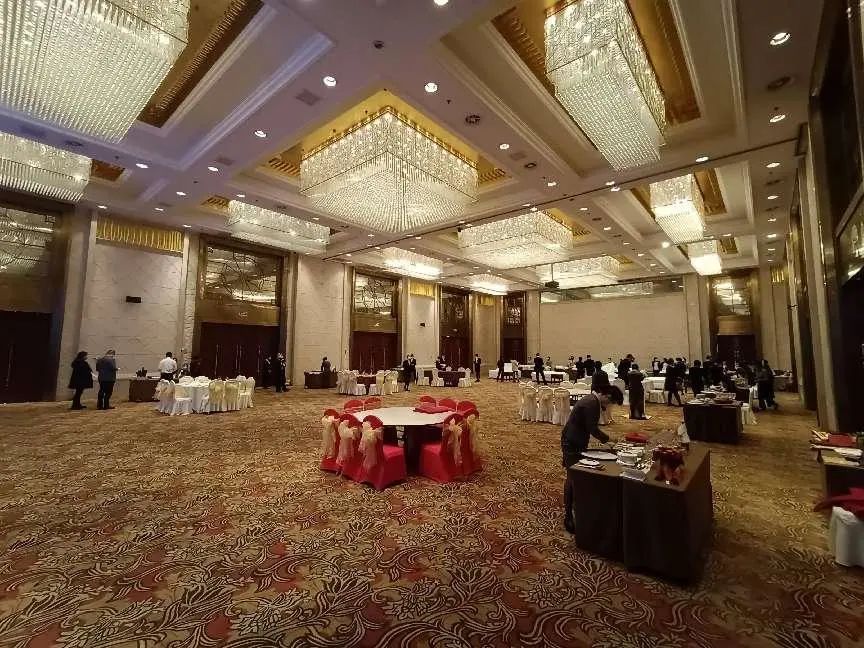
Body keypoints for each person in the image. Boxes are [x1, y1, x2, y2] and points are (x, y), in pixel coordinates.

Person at [561, 384, 613, 533]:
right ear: (605, 395)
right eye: (610, 401)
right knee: (572, 476)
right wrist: (608, 439)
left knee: (575, 475)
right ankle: (568, 516)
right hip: (571, 441)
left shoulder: (592, 400)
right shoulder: (591, 403)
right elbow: (592, 428)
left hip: (576, 440)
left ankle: (576, 507)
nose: (609, 405)